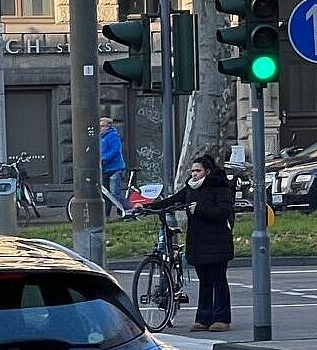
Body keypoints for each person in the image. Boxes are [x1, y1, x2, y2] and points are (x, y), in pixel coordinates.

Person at [141, 154, 235, 332]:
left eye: (197, 171)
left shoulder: (219, 187)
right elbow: (173, 199)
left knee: (218, 280)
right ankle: (203, 318)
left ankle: (222, 318)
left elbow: (223, 212)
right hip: (198, 241)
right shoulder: (191, 188)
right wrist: (147, 207)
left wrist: (200, 209)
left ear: (207, 171)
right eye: (192, 171)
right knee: (205, 281)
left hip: (217, 241)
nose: (194, 174)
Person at [100, 117, 128, 209]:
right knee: (106, 194)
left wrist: (104, 158)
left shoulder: (113, 135)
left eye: (102, 126)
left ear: (108, 126)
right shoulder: (101, 137)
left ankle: (128, 210)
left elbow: (115, 150)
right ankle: (106, 216)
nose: (100, 128)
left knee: (115, 193)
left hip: (115, 168)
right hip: (105, 169)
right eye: (99, 126)